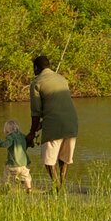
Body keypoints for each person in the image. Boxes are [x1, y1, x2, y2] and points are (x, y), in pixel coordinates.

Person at [27, 53, 79, 189]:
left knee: (49, 160)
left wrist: (31, 133)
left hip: (53, 124)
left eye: (34, 68)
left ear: (36, 68)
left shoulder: (37, 82)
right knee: (64, 158)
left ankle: (57, 188)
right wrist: (40, 126)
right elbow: (57, 107)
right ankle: (61, 186)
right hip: (72, 123)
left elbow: (36, 112)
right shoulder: (62, 79)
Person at [0, 119, 36, 189]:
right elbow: (29, 142)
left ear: (6, 130)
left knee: (6, 176)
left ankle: (4, 189)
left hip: (13, 164)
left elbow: (6, 144)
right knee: (26, 176)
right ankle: (28, 187)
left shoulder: (10, 137)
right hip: (24, 164)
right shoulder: (22, 136)